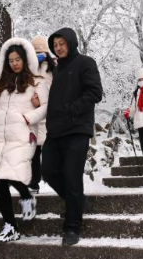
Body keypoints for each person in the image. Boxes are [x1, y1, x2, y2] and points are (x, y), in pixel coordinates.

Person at [42, 28, 103, 246]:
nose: (58, 48)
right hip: (56, 130)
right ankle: (75, 202)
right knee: (48, 170)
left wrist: (72, 108)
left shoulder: (86, 63)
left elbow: (95, 92)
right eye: (55, 45)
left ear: (71, 42)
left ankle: (72, 227)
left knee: (72, 175)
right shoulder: (57, 70)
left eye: (61, 43)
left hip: (77, 129)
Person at [0, 38, 49, 242]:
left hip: (22, 135)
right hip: (1, 136)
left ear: (26, 59)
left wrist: (28, 117)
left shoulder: (36, 82)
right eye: (10, 60)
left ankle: (25, 195)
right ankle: (11, 225)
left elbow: (45, 108)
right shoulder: (3, 85)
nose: (14, 63)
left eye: (18, 59)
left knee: (9, 173)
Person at [28, 35, 55, 194]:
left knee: (50, 152)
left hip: (50, 116)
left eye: (42, 52)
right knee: (33, 153)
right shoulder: (27, 70)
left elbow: (58, 91)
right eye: (35, 53)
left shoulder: (53, 70)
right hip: (33, 117)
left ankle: (53, 180)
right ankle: (33, 184)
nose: (39, 55)